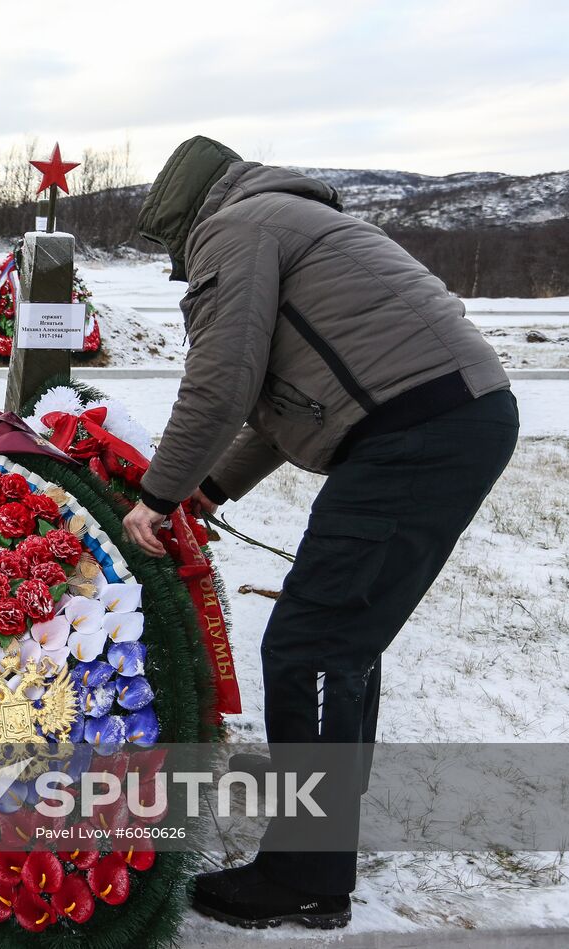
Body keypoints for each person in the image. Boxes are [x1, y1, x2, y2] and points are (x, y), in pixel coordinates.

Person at [122, 136, 518, 929]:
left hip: (419, 431)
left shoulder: (237, 230)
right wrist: (211, 487)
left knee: (310, 643)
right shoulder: (288, 219)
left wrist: (157, 496)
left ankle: (306, 872)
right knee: (340, 635)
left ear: (183, 219)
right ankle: (329, 813)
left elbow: (223, 379)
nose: (176, 261)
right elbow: (283, 401)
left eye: (169, 246)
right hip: (448, 418)